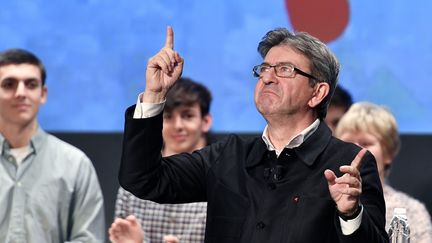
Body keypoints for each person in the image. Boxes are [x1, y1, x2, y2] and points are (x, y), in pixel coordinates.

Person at [118, 26, 389, 242]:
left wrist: (350, 213)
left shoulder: (348, 164)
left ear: (317, 93)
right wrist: (154, 95)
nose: (268, 78)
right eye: (264, 69)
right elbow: (144, 179)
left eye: (284, 69)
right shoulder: (228, 155)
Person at [0, 48, 105, 242]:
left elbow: (89, 240)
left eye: (31, 84)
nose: (21, 93)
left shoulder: (75, 164)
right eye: (9, 84)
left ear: (43, 94)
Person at [110, 78, 212, 243]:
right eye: (168, 116)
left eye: (187, 115)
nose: (178, 125)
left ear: (205, 121)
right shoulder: (133, 184)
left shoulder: (220, 179)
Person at [335, 101, 432, 242]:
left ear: (388, 153)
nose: (355, 150)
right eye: (348, 143)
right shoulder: (321, 203)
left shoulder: (412, 210)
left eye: (365, 143)